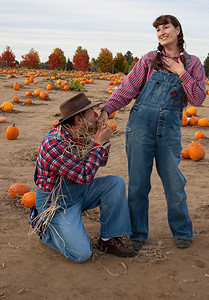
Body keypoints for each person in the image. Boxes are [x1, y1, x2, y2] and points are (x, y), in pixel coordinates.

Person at [98, 15, 206, 250]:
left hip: (169, 131)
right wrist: (107, 109)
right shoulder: (149, 59)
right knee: (138, 184)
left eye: (166, 27)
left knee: (174, 183)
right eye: (157, 29)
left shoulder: (193, 63)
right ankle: (137, 234)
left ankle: (182, 230)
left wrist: (181, 73)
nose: (161, 32)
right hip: (140, 129)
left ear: (178, 30)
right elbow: (127, 88)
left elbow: (198, 98)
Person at [30, 92, 135, 263]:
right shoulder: (54, 144)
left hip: (79, 192)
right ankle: (44, 227)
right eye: (91, 113)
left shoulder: (80, 136)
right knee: (81, 254)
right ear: (79, 120)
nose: (96, 116)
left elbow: (101, 162)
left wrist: (100, 140)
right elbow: (85, 175)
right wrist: (98, 144)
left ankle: (108, 239)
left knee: (115, 183)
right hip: (57, 204)